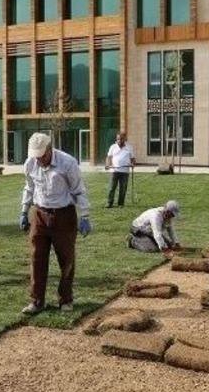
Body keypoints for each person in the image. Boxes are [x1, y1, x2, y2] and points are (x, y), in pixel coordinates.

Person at [19, 132, 91, 315]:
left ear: (50, 149)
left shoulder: (67, 163)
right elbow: (29, 187)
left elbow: (78, 190)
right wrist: (24, 211)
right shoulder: (30, 163)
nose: (39, 160)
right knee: (37, 257)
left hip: (63, 215)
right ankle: (37, 301)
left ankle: (65, 299)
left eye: (42, 156)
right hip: (40, 214)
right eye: (36, 156)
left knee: (66, 259)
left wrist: (84, 215)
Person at [105, 131, 136, 208]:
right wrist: (107, 164)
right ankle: (109, 203)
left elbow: (133, 158)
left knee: (123, 188)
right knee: (112, 188)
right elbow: (108, 157)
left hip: (125, 171)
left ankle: (120, 203)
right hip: (114, 171)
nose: (119, 140)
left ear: (124, 139)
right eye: (118, 139)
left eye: (121, 139)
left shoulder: (129, 147)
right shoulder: (113, 147)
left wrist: (133, 164)